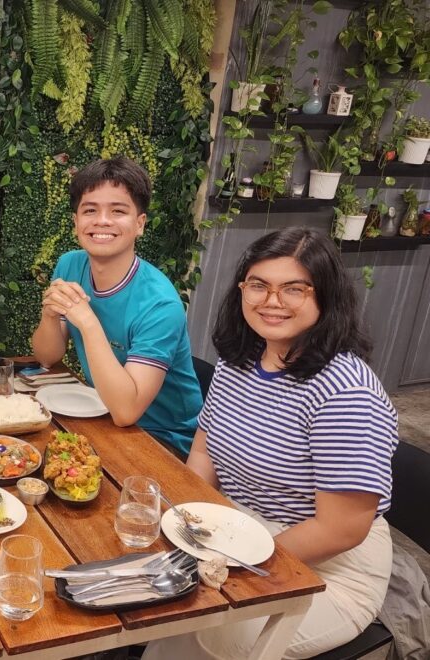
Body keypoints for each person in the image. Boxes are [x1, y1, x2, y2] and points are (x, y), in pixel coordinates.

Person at [144, 227, 398, 659]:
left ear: (327, 297)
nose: (271, 301)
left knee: (214, 626)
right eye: (258, 285)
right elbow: (205, 451)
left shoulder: (346, 391)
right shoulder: (240, 360)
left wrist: (239, 560)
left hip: (329, 568)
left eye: (294, 288)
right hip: (241, 529)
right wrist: (184, 519)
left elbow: (342, 529)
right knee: (158, 594)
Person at [31, 156, 202, 454]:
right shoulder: (70, 265)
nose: (102, 221)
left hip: (164, 441)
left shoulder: (160, 304)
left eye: (118, 211)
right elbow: (47, 356)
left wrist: (86, 321)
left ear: (140, 224)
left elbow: (127, 413)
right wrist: (49, 315)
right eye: (90, 210)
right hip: (102, 414)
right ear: (76, 222)